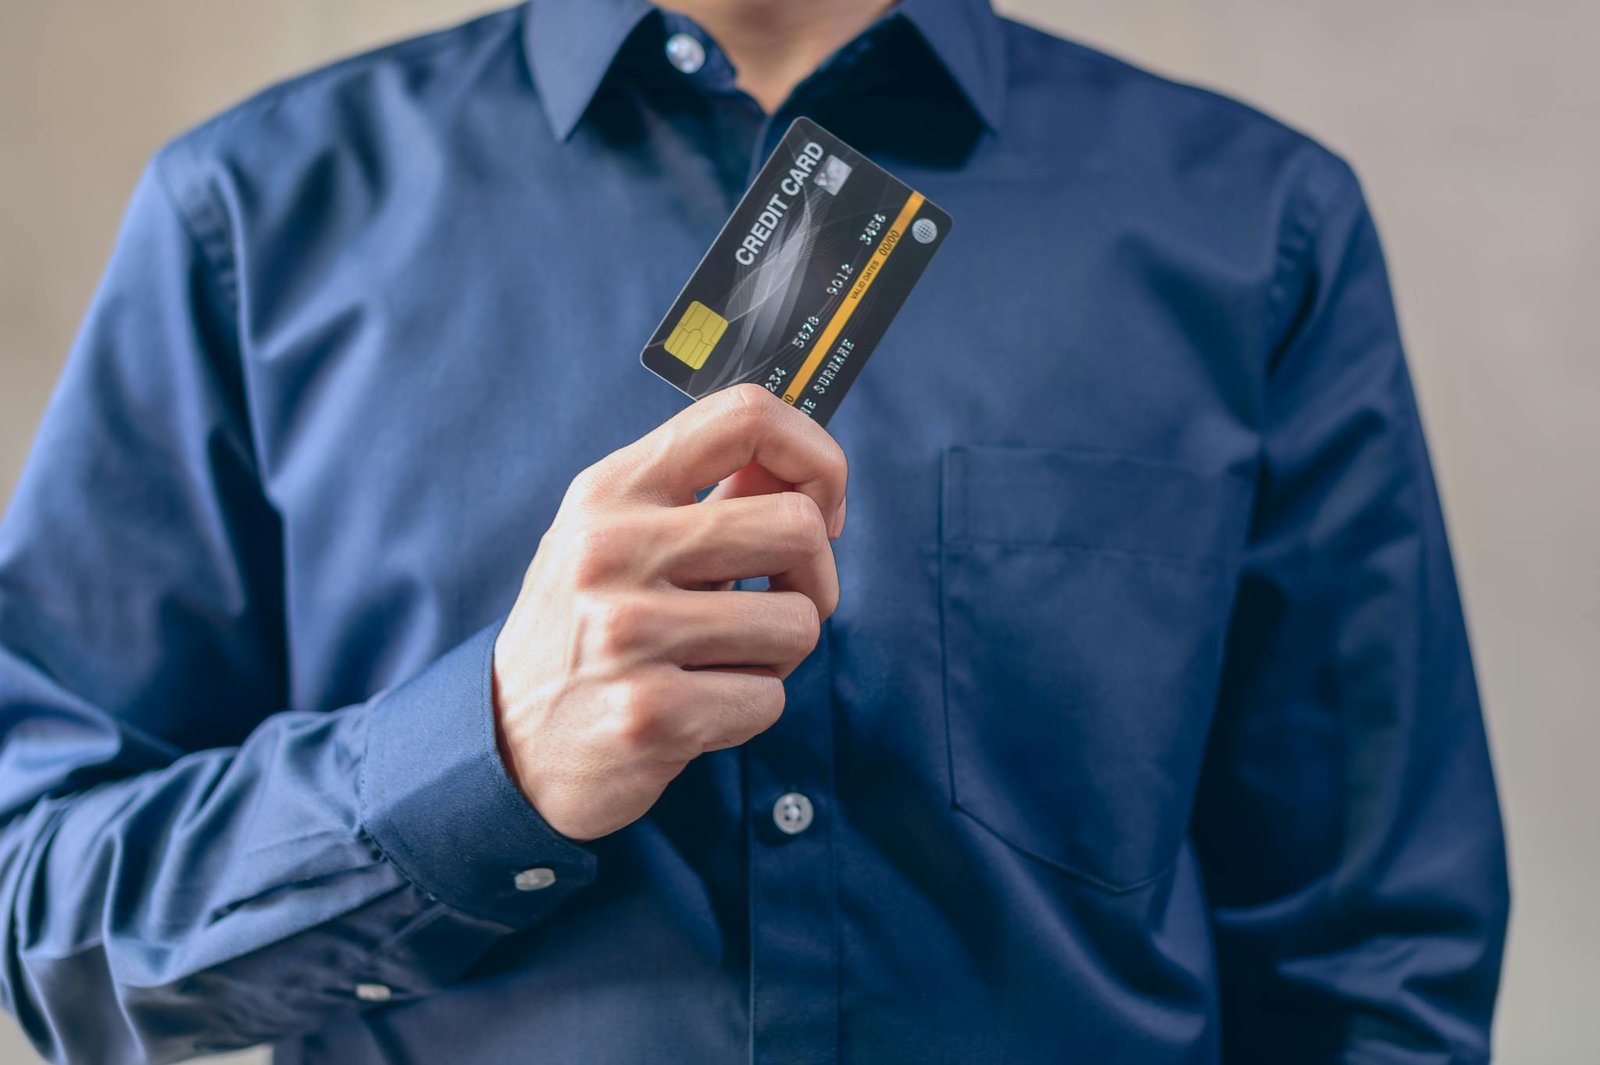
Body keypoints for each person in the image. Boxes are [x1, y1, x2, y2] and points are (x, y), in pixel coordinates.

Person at [0, 1, 1509, 1062]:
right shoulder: (254, 218)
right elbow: (50, 918)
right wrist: (486, 757)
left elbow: (1378, 958)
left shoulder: (1256, 232)